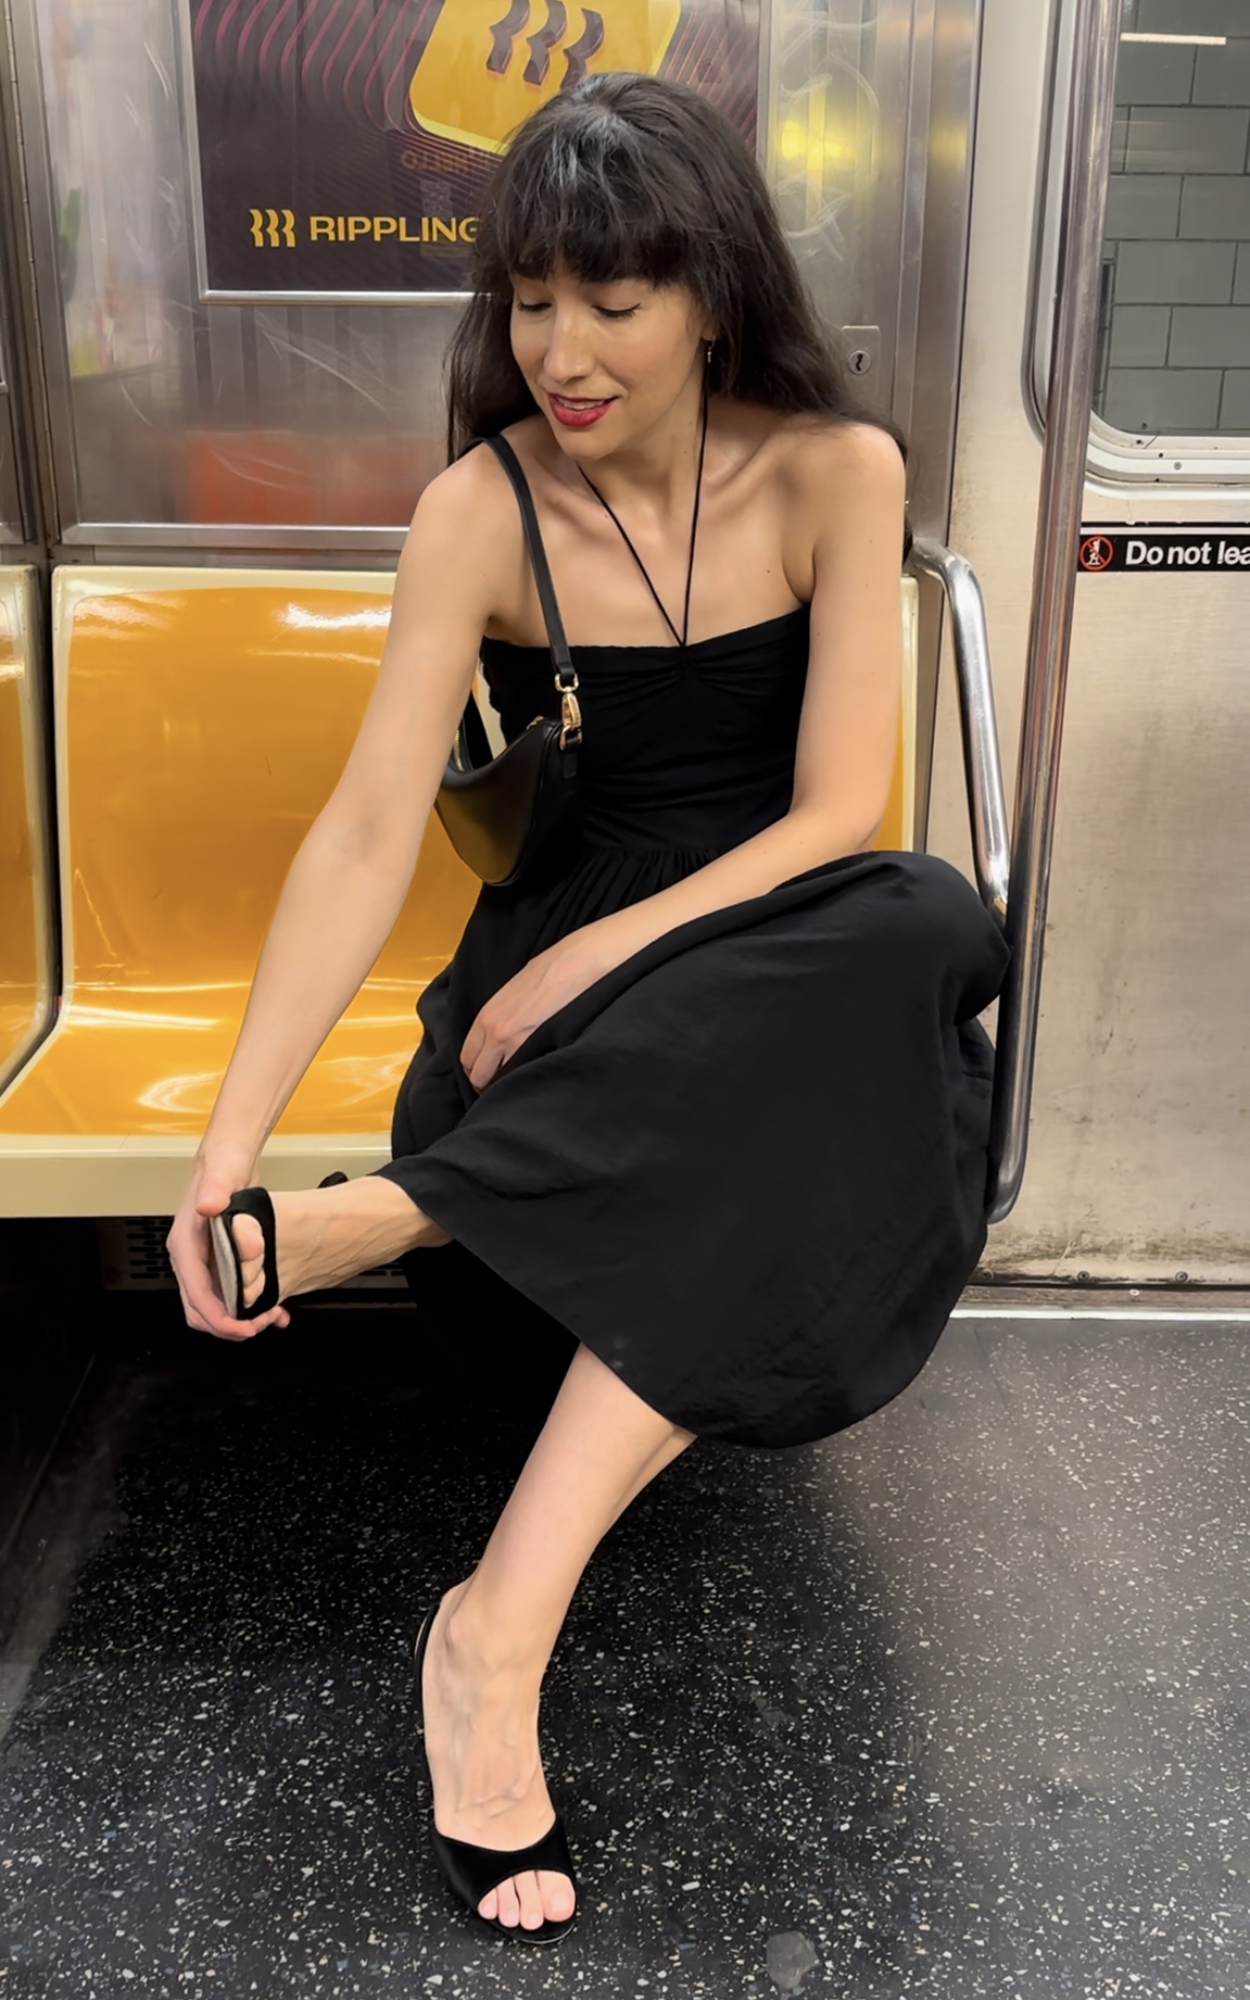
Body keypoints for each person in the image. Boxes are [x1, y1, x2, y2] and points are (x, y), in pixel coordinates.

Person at [167, 71, 1009, 1946]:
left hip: (743, 950)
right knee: (823, 1054)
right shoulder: (484, 508)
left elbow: (826, 820)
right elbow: (373, 828)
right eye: (531, 300)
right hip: (559, 1044)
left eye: (610, 303)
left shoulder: (831, 471)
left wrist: (596, 952)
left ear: (709, 291)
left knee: (907, 920)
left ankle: (487, 1616)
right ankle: (467, 1575)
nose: (561, 348)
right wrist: (227, 1149)